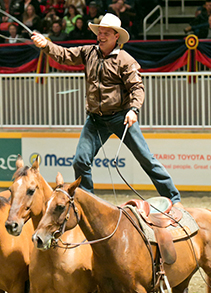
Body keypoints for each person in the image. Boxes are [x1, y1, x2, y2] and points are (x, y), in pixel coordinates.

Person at [31, 13, 182, 205]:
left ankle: (174, 199)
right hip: (95, 120)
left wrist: (133, 110)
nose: (100, 36)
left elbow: (137, 87)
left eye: (106, 33)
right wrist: (46, 45)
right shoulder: (88, 52)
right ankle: (89, 202)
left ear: (116, 36)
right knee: (80, 161)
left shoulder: (125, 60)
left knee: (146, 159)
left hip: (121, 118)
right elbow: (65, 55)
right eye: (99, 32)